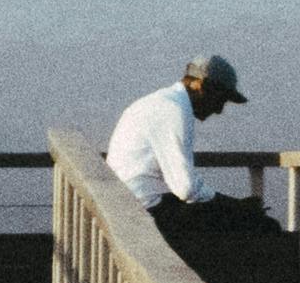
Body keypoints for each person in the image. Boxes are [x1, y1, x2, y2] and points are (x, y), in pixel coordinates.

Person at [105, 52, 251, 204]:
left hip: (128, 199)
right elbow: (186, 188)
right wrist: (235, 204)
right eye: (220, 99)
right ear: (198, 85)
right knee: (265, 225)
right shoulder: (174, 109)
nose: (219, 110)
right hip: (143, 206)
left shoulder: (162, 101)